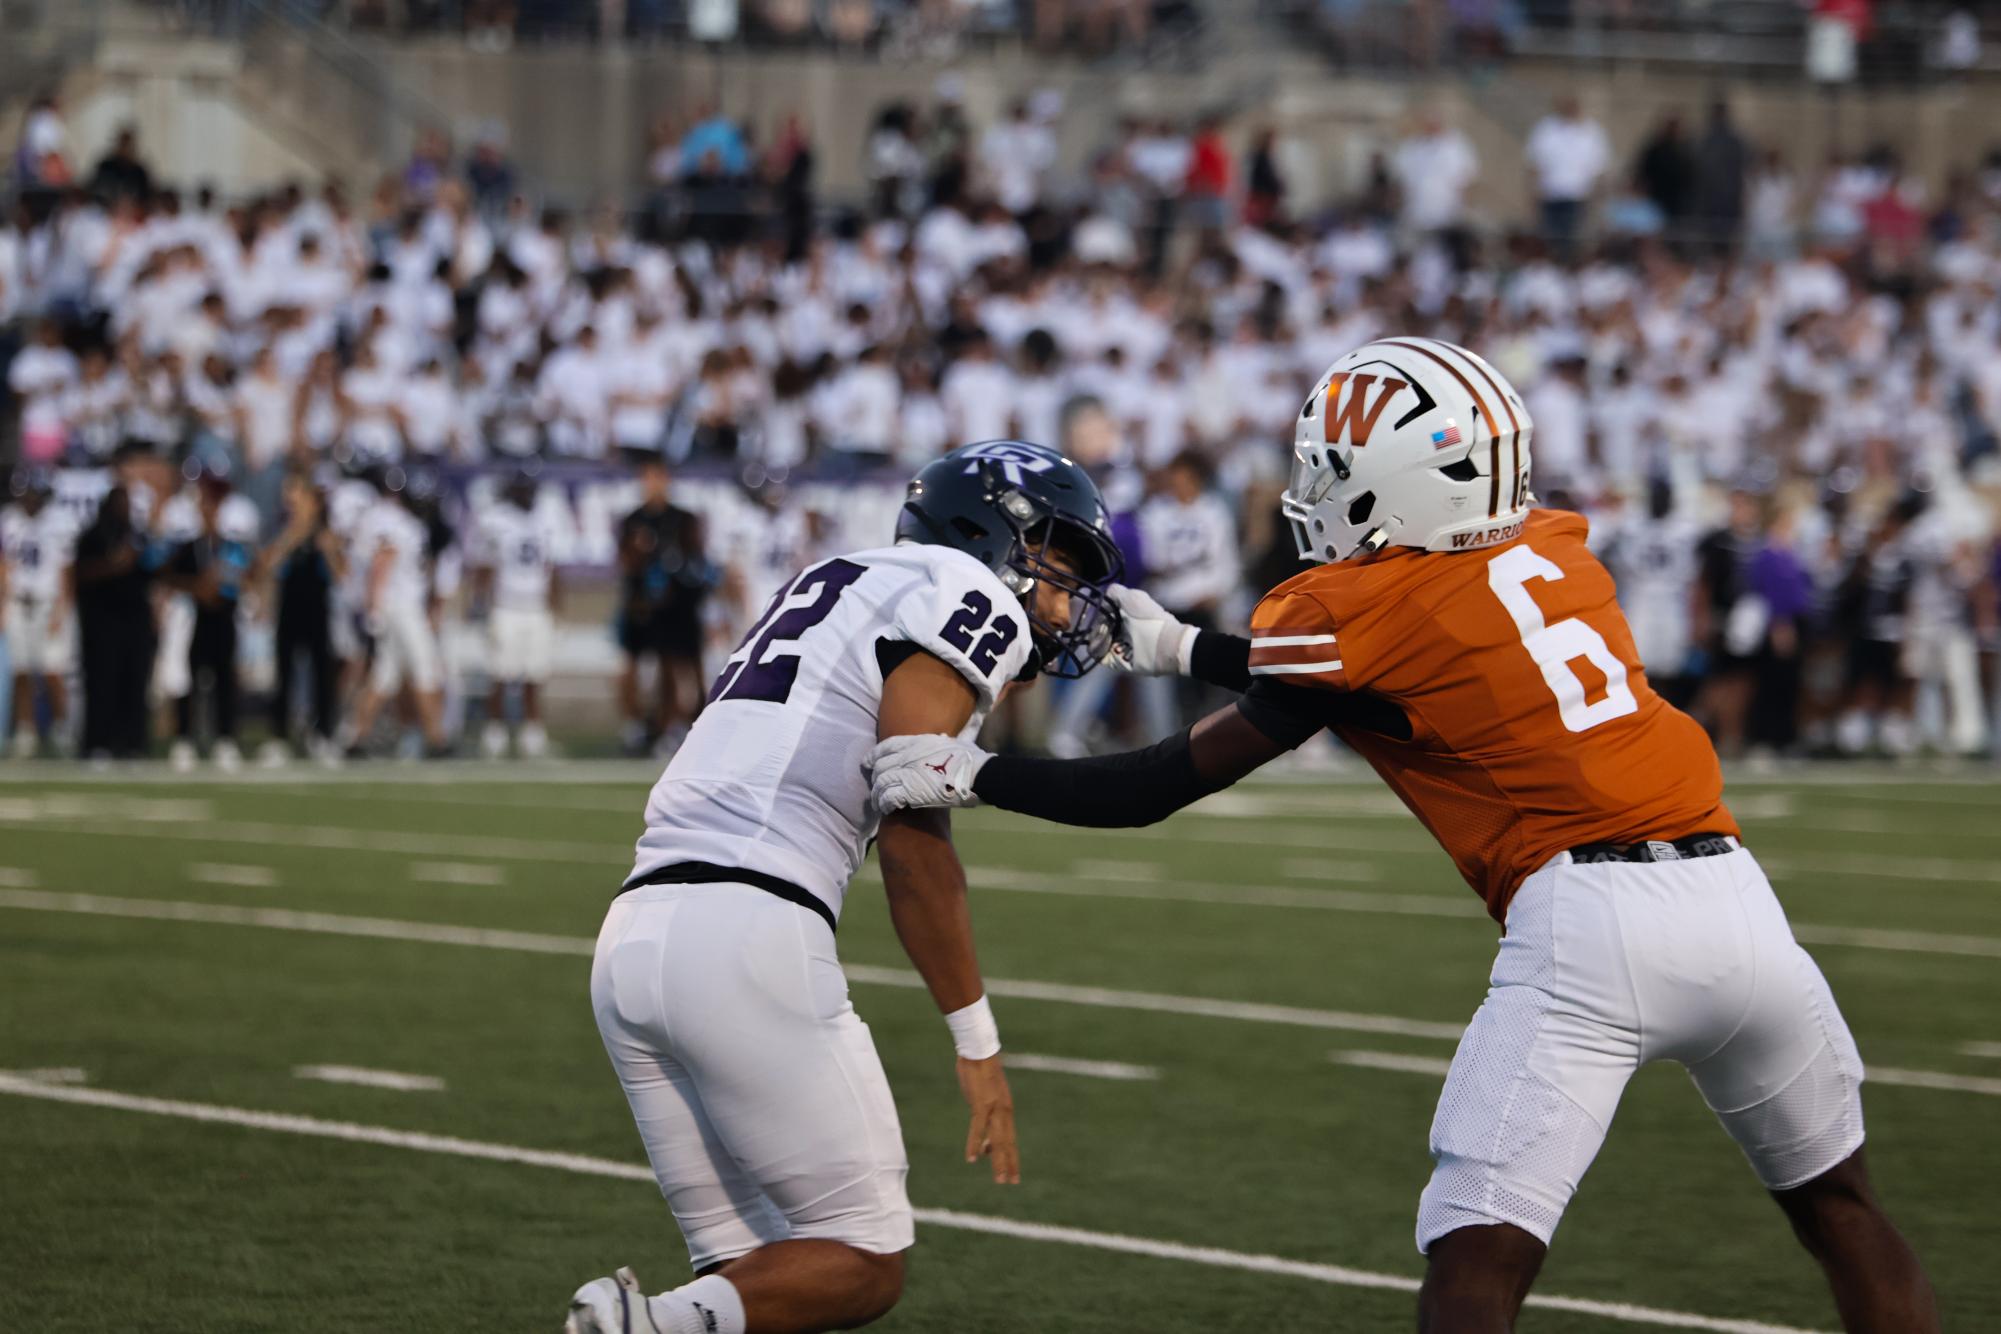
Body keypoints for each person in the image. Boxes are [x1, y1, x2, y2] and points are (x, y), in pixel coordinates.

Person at [870, 340, 1939, 1334]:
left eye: (1336, 473)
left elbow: (1161, 782)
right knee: (1841, 1204)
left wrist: (977, 773)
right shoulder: (1561, 553)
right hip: (1742, 904)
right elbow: (1416, 668)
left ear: (1401, 485)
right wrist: (1187, 643)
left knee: (1477, 1254)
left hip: (1592, 932)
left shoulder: (1349, 607)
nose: (1318, 495)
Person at [563, 440, 1125, 1334]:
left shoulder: (838, 575)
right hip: (748, 927)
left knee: (751, 1280)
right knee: (863, 1258)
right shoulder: (965, 592)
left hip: (633, 935)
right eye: (1052, 564)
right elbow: (911, 824)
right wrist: (976, 1040)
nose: (1062, 601)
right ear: (987, 540)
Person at [340, 473, 449, 758]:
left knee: (384, 676)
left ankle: (354, 737)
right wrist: (374, 607)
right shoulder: (404, 526)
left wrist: (376, 608)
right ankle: (437, 739)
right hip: (402, 609)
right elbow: (381, 563)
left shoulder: (394, 522)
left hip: (393, 607)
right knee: (426, 670)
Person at [615, 458, 712, 757]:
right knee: (635, 667)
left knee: (678, 668)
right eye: (648, 477)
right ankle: (640, 725)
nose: (653, 484)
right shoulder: (633, 519)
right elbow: (625, 563)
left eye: (658, 477)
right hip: (643, 603)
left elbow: (695, 561)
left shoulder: (682, 518)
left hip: (678, 605)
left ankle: (675, 725)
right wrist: (639, 552)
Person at [163, 470, 256, 772]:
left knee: (224, 681)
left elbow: (244, 578)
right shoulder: (189, 546)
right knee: (189, 680)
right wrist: (197, 588)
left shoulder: (230, 545)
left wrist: (220, 585)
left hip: (224, 618)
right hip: (195, 619)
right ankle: (184, 740)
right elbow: (171, 577)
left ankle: (225, 739)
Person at [474, 465, 563, 759]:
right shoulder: (496, 519)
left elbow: (552, 566)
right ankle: (495, 730)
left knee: (534, 673)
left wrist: (556, 605)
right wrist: (480, 603)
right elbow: (485, 566)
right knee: (501, 672)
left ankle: (531, 731)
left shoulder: (545, 517)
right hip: (506, 605)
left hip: (536, 606)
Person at [260, 473, 345, 766]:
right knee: (284, 674)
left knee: (322, 674)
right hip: (289, 608)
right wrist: (291, 538)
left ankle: (323, 735)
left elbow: (341, 574)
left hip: (317, 609)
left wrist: (328, 548)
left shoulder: (325, 534)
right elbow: (268, 565)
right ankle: (279, 737)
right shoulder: (284, 531)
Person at [71, 483, 156, 760]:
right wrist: (114, 564)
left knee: (134, 683)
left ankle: (132, 743)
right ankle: (98, 743)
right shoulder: (93, 537)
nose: (126, 509)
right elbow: (80, 575)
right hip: (102, 624)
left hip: (135, 623)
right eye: (121, 503)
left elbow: (152, 576)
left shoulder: (138, 538)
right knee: (101, 684)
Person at [0, 468, 77, 758]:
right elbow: (4, 565)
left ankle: (61, 729)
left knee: (52, 671)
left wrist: (62, 609)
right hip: (19, 602)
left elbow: (65, 572)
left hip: (48, 603)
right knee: (20, 671)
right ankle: (25, 730)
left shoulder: (59, 522)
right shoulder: (9, 520)